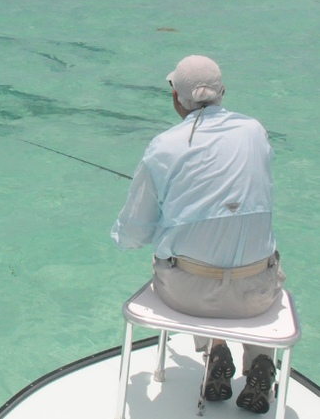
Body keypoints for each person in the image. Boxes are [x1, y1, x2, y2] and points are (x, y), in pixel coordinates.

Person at [111, 55, 286, 414]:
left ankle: (213, 349)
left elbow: (134, 234)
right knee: (253, 259)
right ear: (222, 92)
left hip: (188, 295)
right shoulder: (256, 131)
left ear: (175, 96)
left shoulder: (163, 146)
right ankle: (260, 362)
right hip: (257, 293)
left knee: (188, 259)